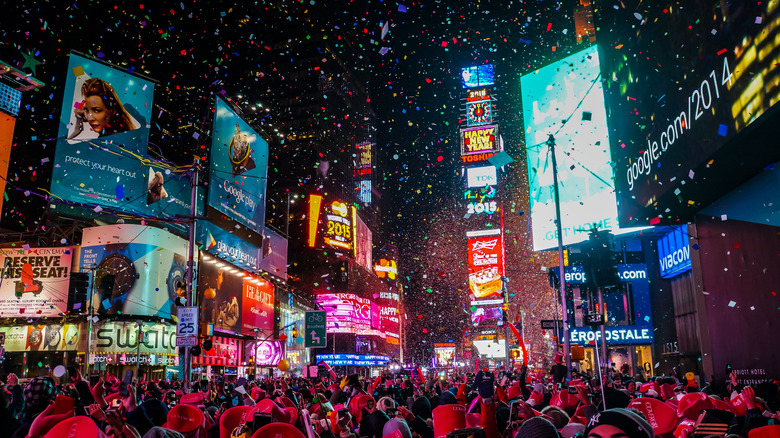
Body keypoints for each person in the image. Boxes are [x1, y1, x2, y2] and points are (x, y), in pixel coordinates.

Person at [68, 77, 138, 140]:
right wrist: (77, 124)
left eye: (96, 110)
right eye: (86, 110)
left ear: (112, 110)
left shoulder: (114, 141)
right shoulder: (112, 137)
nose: (90, 118)